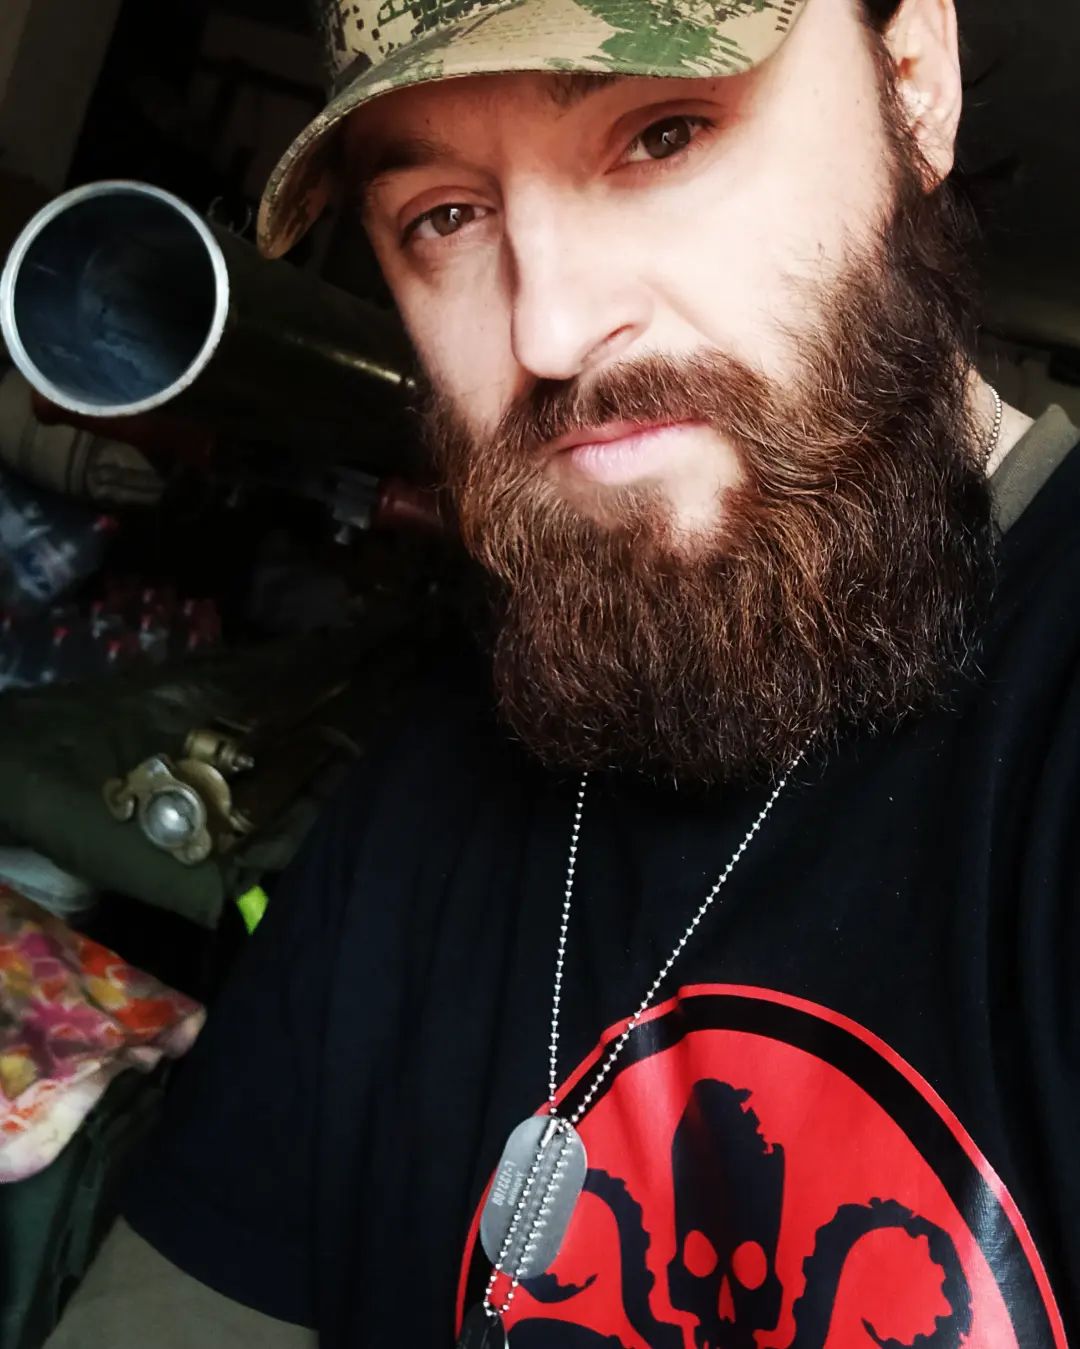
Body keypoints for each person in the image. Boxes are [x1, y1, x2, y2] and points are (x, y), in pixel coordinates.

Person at [45, 0, 1078, 1344]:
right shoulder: (415, 807)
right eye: (446, 217)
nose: (549, 328)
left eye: (664, 133)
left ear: (914, 79)